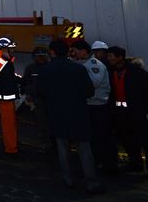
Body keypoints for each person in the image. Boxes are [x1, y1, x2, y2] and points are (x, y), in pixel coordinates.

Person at [39, 40, 103, 192]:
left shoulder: (46, 70)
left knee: (63, 148)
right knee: (84, 149)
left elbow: (40, 92)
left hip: (58, 113)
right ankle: (91, 181)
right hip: (78, 113)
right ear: (68, 52)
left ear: (52, 52)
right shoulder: (78, 69)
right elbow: (89, 91)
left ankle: (68, 179)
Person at [71, 40, 118, 174]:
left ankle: (108, 164)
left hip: (97, 106)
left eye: (76, 51)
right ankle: (100, 162)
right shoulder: (84, 64)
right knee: (96, 137)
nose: (74, 53)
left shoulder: (93, 65)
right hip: (91, 105)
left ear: (84, 51)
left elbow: (93, 83)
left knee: (102, 136)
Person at [107, 47, 148, 176]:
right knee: (127, 139)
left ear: (120, 57)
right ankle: (135, 163)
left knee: (145, 141)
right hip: (120, 112)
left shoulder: (138, 73)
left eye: (111, 56)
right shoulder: (111, 72)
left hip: (137, 112)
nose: (109, 59)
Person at [0, 37, 19, 155]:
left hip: (8, 97)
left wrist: (21, 79)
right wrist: (4, 58)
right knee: (8, 125)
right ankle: (11, 149)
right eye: (11, 48)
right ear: (4, 49)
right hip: (3, 99)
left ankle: (13, 145)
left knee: (11, 124)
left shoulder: (6, 60)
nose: (13, 51)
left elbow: (10, 75)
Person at [22, 46, 51, 151]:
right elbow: (26, 83)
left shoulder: (50, 67)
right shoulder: (31, 68)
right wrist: (28, 96)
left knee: (50, 122)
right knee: (41, 123)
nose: (40, 58)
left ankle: (52, 142)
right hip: (38, 100)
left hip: (50, 99)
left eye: (42, 56)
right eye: (38, 56)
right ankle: (43, 142)